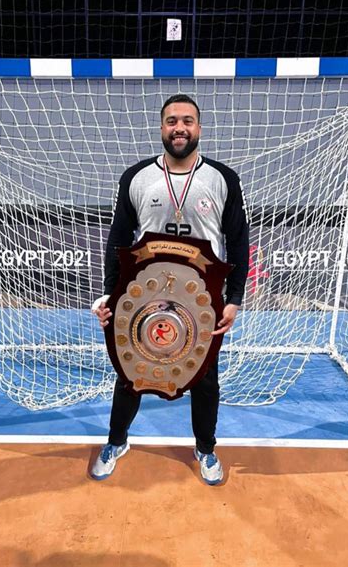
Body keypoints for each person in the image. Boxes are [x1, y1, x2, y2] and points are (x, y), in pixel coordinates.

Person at [91, 94, 249, 485]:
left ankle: (205, 449)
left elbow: (238, 242)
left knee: (205, 377)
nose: (180, 128)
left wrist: (234, 299)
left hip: (202, 299)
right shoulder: (136, 177)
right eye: (172, 121)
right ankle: (116, 441)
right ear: (162, 128)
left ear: (199, 128)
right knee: (131, 372)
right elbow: (118, 240)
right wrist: (110, 294)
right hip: (144, 294)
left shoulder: (223, 179)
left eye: (187, 121)